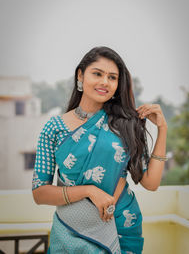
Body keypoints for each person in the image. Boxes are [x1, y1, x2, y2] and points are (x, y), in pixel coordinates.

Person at [32, 46, 168, 254]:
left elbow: (151, 182)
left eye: (112, 77)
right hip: (71, 229)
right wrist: (89, 191)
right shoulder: (54, 128)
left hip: (121, 224)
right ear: (81, 75)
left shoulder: (126, 124)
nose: (105, 82)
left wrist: (162, 129)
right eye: (97, 74)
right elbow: (40, 193)